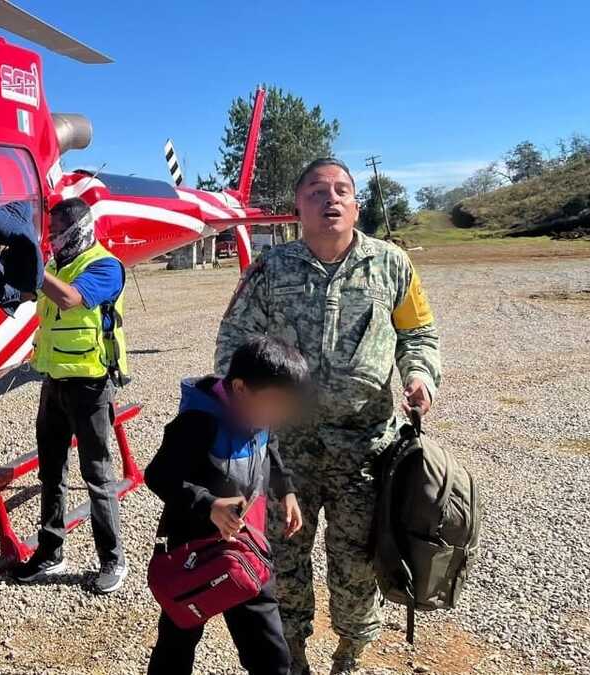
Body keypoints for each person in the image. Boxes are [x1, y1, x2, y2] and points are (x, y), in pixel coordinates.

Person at [214, 158, 442, 675]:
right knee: (284, 560)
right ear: (298, 207)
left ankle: (349, 658)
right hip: (285, 451)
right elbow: (233, 340)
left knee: (358, 563)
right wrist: (246, 402)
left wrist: (421, 376)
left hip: (366, 449)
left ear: (356, 203)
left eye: (342, 190)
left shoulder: (392, 264)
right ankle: (291, 656)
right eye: (317, 192)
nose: (331, 199)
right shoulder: (272, 269)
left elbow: (418, 335)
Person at [145, 335, 309, 675]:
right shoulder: (197, 422)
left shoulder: (259, 416)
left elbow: (270, 448)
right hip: (194, 552)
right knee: (178, 639)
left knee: (268, 649)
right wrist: (209, 505)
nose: (277, 416)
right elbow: (158, 475)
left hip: (246, 549)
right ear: (240, 389)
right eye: (274, 404)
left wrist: (287, 490)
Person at [13, 197, 130, 594]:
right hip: (54, 385)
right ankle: (50, 551)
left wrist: (33, 269)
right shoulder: (54, 267)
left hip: (91, 386)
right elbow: (32, 297)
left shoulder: (105, 266)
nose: (52, 238)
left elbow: (69, 298)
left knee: (96, 474)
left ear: (78, 229)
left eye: (58, 231)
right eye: (50, 231)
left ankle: (113, 559)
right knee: (51, 473)